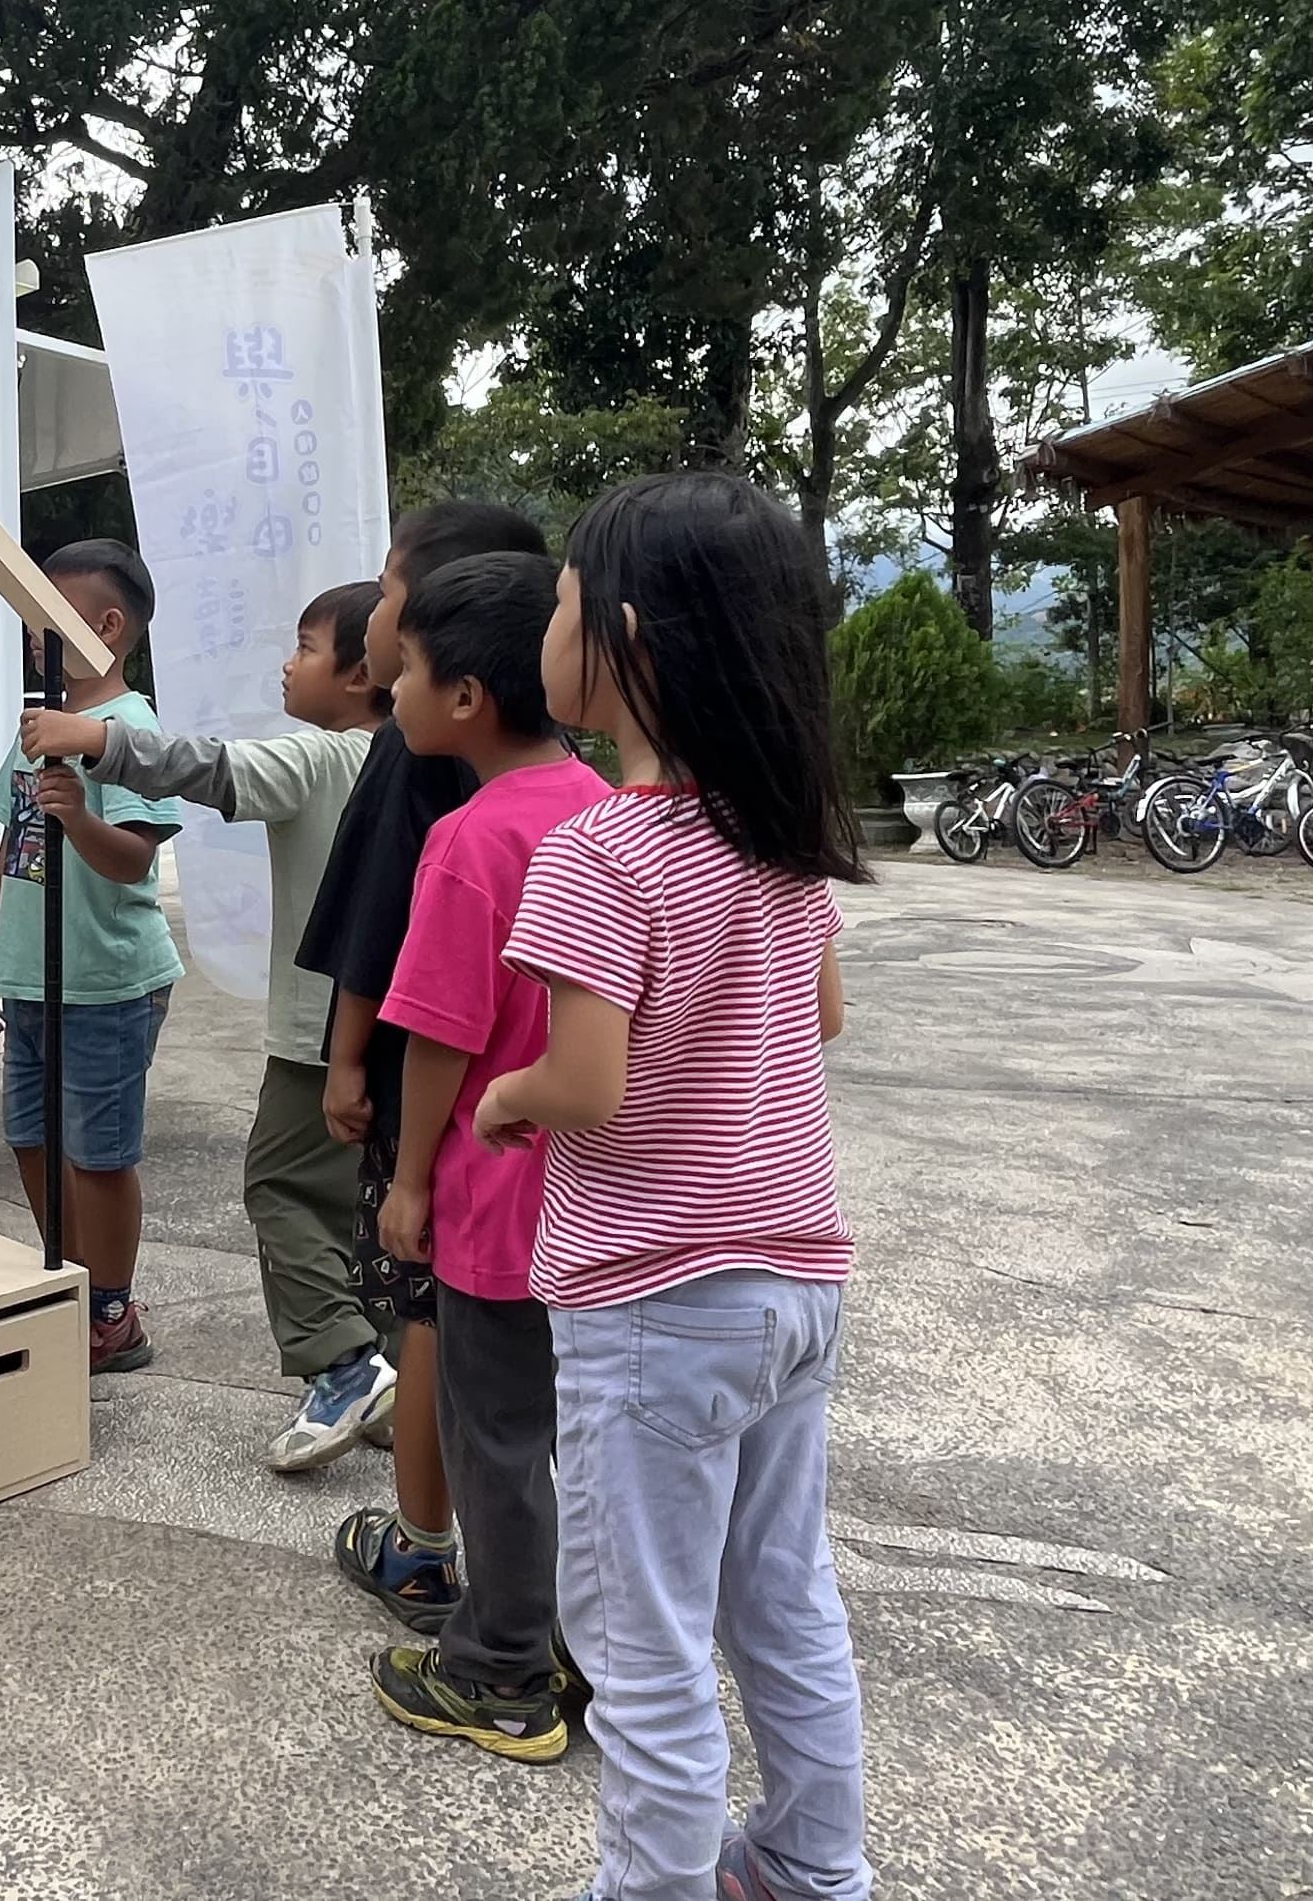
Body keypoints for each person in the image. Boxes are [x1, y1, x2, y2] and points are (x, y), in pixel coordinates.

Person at [476, 471, 874, 1901]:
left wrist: (510, 1099)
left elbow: (589, 1088)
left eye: (566, 600)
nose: (550, 624)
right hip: (797, 1283)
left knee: (639, 1642)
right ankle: (816, 1867)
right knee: (782, 1598)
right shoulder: (782, 833)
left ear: (627, 640)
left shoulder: (598, 849)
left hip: (652, 1303)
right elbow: (819, 1016)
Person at [17, 580, 397, 1467]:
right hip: (404, 1033)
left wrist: (96, 740)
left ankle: (341, 1364)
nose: (287, 663)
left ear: (359, 673)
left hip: (319, 1035)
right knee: (366, 1205)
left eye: (305, 648)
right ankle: (391, 1374)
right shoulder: (423, 764)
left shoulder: (326, 758)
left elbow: (213, 768)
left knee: (280, 1186)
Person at [368, 550, 603, 1765]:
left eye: (403, 668)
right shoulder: (620, 817)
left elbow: (441, 1042)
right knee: (587, 1447)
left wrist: (410, 1184)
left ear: (464, 697)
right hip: (614, 1215)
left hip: (500, 1212)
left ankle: (503, 1670)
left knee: (497, 1446)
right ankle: (592, 1651)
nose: (389, 691)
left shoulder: (470, 841)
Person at [307, 499, 550, 1629]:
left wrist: (351, 1070)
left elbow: (410, 968)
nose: (376, 625)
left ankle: (430, 1563)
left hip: (454, 1141)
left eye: (392, 591)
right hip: (561, 1159)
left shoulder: (444, 793)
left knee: (434, 1328)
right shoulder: (597, 804)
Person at [0, 541, 184, 1372]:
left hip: (104, 979)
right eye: (32, 621)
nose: (35, 637)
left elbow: (135, 858)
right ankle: (67, 1276)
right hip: (32, 975)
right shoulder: (37, 724)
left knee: (99, 1153)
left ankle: (111, 1308)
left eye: (51, 622)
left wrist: (78, 817)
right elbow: (7, 842)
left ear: (107, 626)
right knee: (30, 1135)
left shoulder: (129, 729)